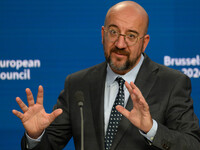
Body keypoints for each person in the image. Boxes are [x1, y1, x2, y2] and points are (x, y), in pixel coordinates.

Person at [13, 1, 200, 150]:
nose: (120, 43)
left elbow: (192, 144)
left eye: (131, 35)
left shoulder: (172, 83)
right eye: (113, 32)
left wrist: (151, 129)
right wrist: (36, 136)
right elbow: (49, 145)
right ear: (103, 34)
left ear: (145, 42)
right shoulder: (77, 84)